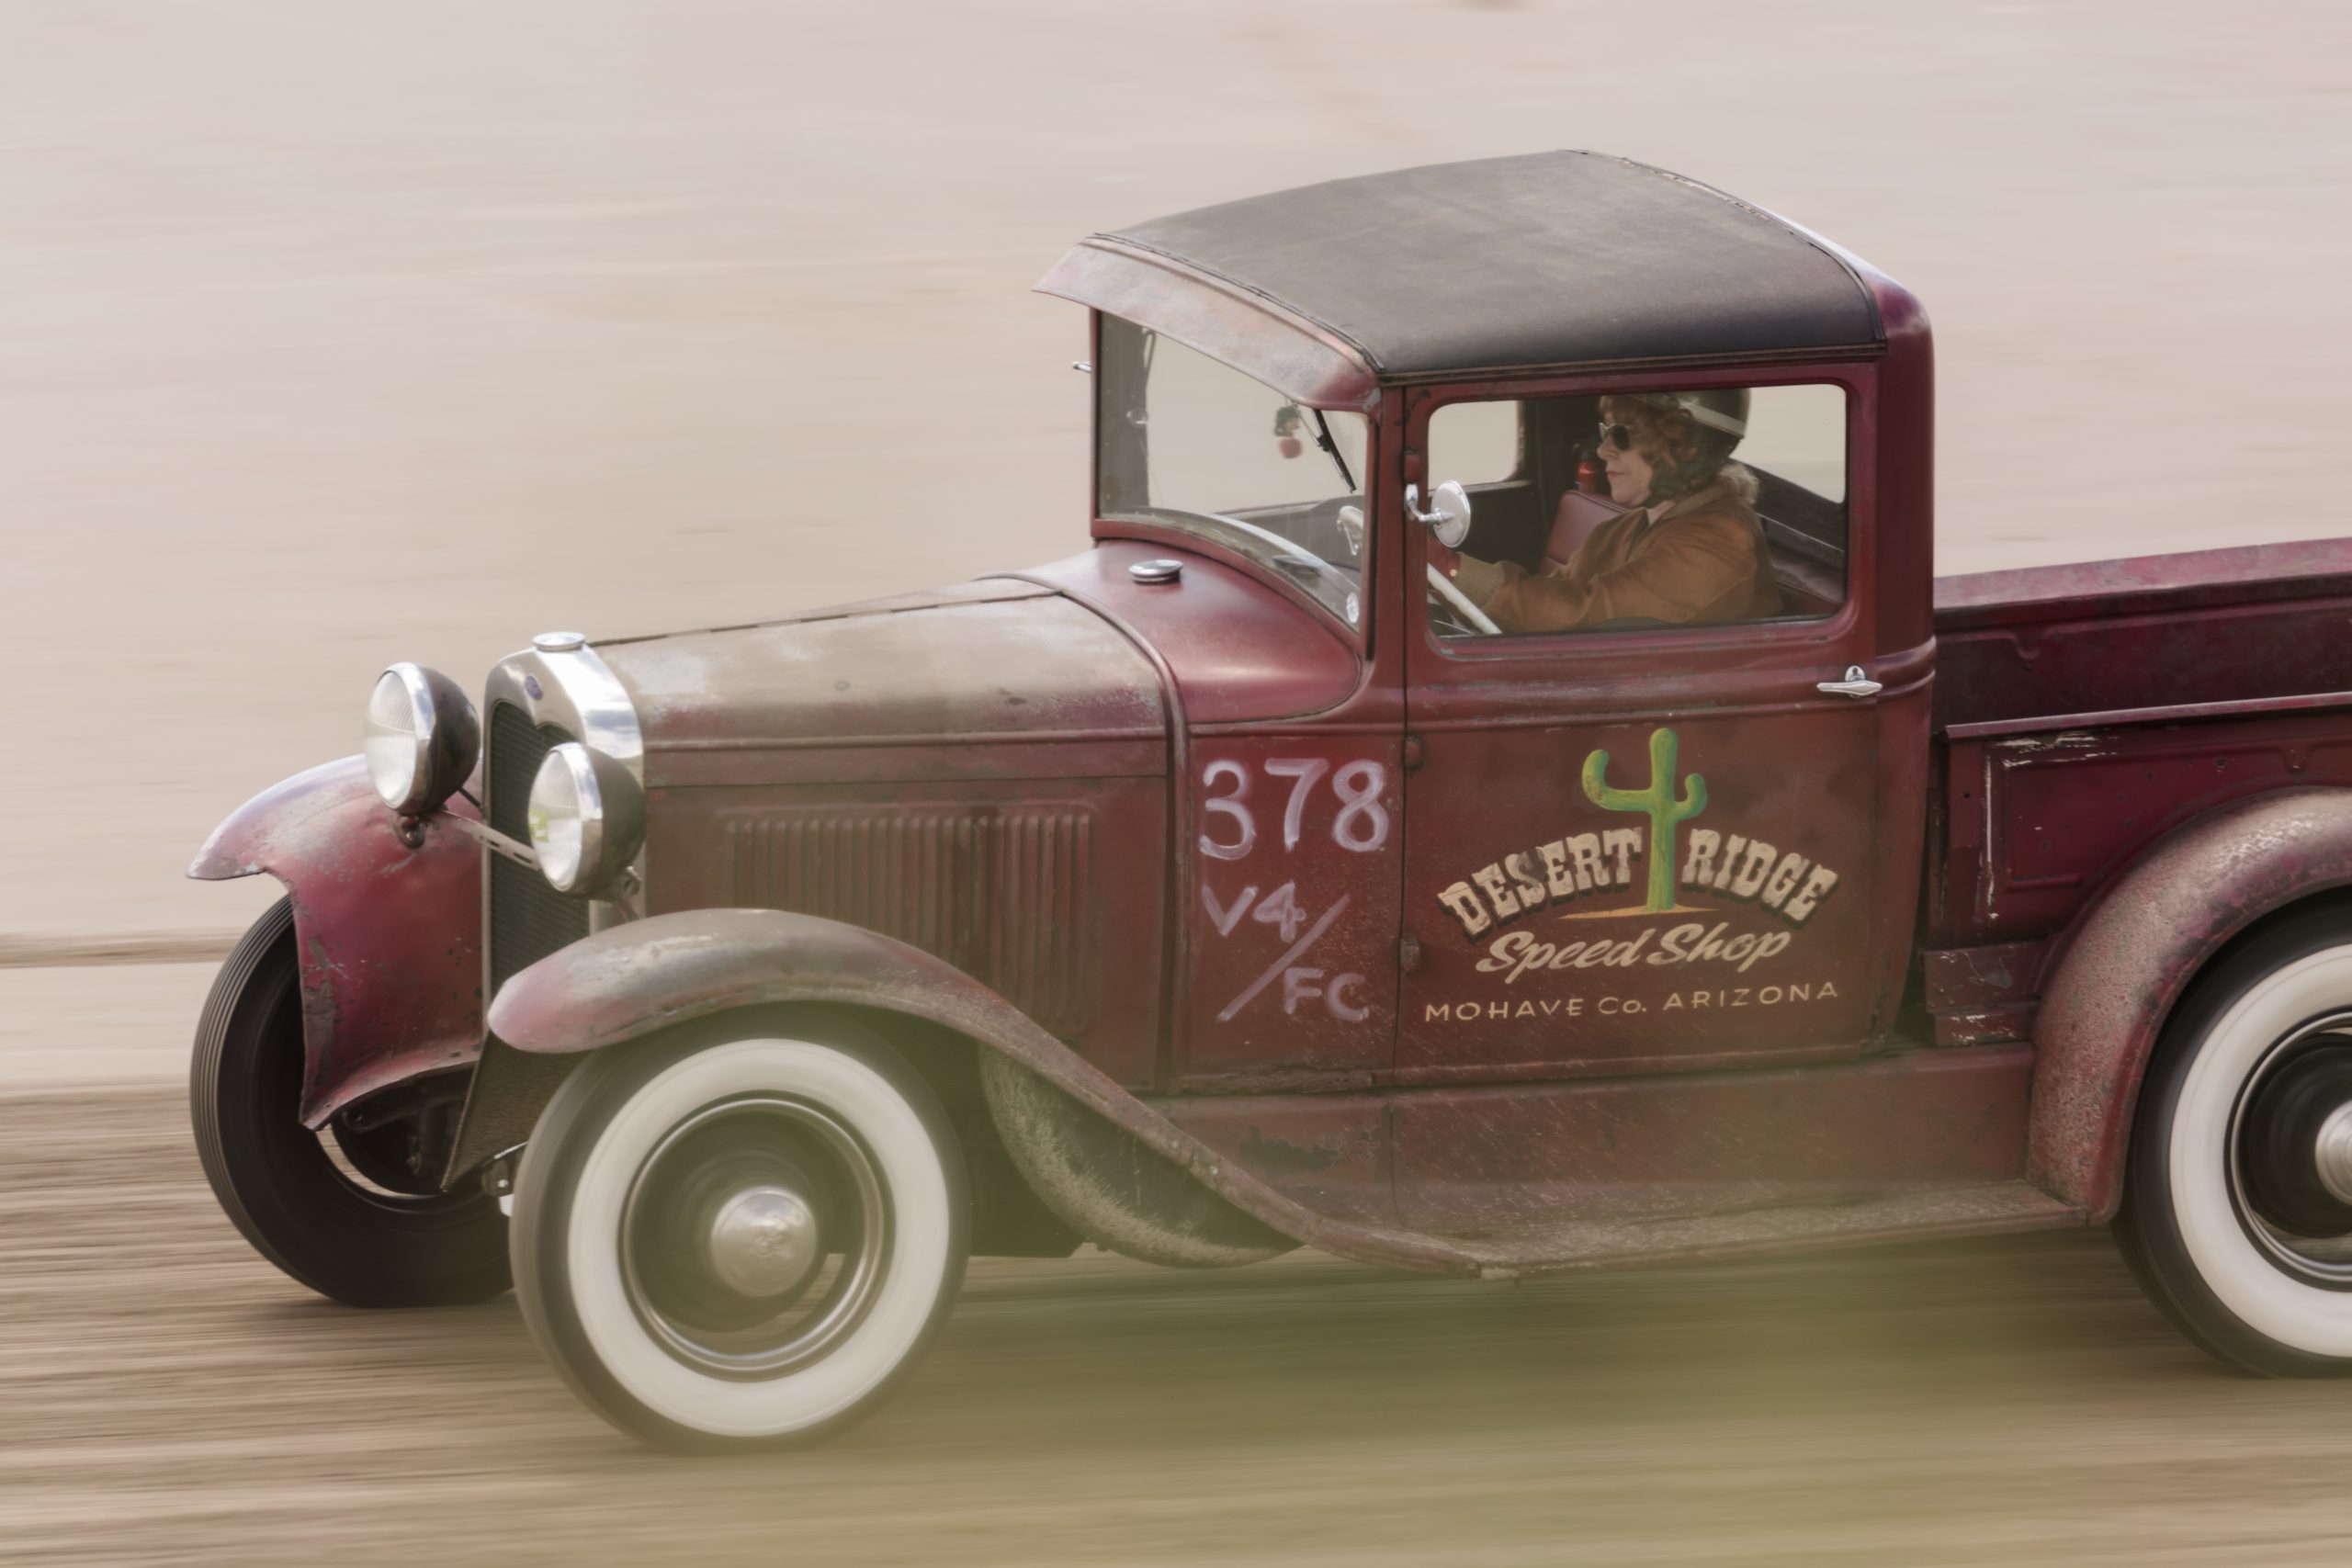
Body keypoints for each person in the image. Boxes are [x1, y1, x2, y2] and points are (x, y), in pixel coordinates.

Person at [1434, 389, 1781, 633]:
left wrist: (1449, 569)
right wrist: (1439, 579)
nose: (1603, 451)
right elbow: (1549, 597)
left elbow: (1581, 619)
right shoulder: (1625, 528)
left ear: (1687, 445)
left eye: (1622, 435)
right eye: (1605, 432)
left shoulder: (1718, 545)